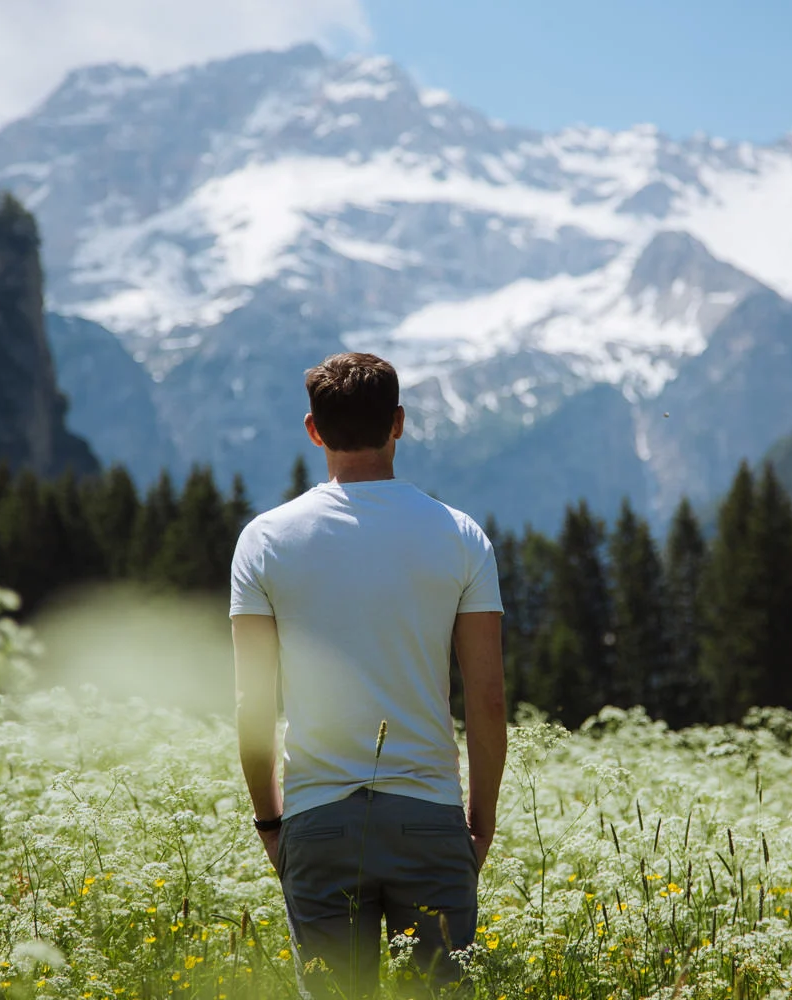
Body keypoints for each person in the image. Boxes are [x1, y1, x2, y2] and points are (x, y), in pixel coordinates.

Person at [230, 352, 508, 998]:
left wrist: (272, 825)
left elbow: (251, 705)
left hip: (318, 821)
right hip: (431, 820)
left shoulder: (264, 542)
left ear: (313, 430)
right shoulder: (462, 538)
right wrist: (479, 824)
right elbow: (487, 701)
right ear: (399, 423)